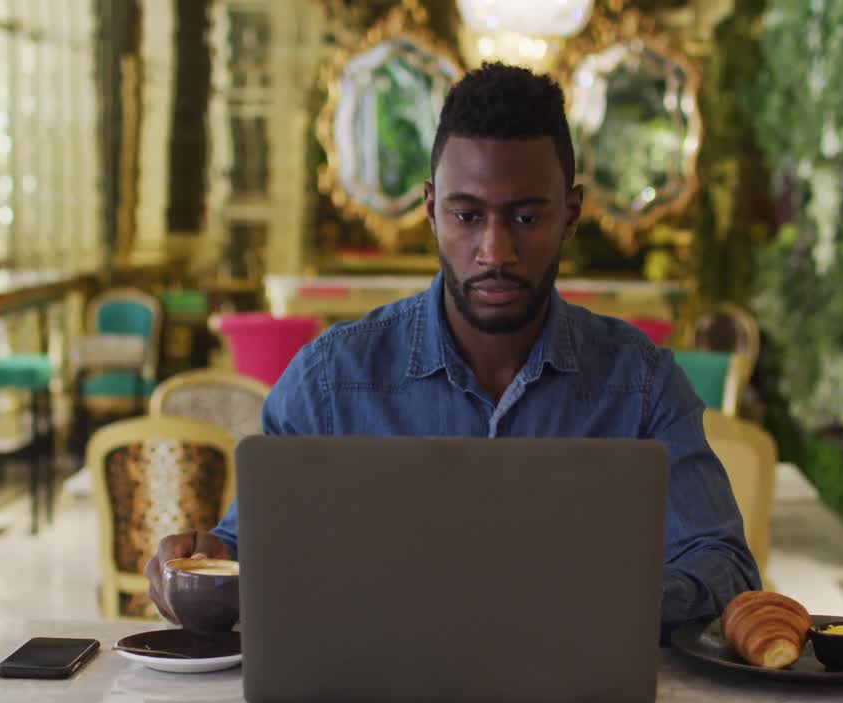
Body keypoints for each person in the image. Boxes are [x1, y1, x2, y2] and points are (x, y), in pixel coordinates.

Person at [146, 62, 761, 632]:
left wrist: (603, 603)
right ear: (433, 209)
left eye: (525, 218)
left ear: (571, 214)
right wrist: (200, 564)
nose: (495, 252)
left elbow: (726, 570)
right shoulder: (330, 381)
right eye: (468, 216)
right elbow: (246, 550)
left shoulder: (642, 385)